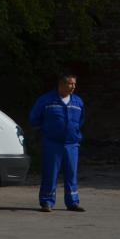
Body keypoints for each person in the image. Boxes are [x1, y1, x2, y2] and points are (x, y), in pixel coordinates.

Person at [30, 73, 85, 212]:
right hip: (52, 144)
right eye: (70, 84)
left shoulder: (78, 102)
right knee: (51, 173)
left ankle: (72, 202)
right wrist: (46, 131)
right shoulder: (46, 100)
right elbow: (34, 119)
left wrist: (75, 134)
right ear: (61, 84)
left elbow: (81, 120)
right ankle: (47, 202)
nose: (73, 87)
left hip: (72, 144)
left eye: (74, 84)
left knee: (71, 173)